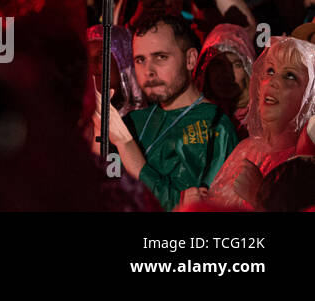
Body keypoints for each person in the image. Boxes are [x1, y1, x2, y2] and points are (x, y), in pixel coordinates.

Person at [111, 15, 239, 210]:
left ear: (190, 60)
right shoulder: (132, 121)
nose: (148, 71)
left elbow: (196, 207)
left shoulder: (216, 126)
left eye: (161, 57)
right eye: (140, 60)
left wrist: (128, 150)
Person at [189, 37, 315, 209]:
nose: (273, 81)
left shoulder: (305, 167)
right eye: (270, 71)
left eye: (290, 75)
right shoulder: (246, 148)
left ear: (310, 96)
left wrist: (259, 196)